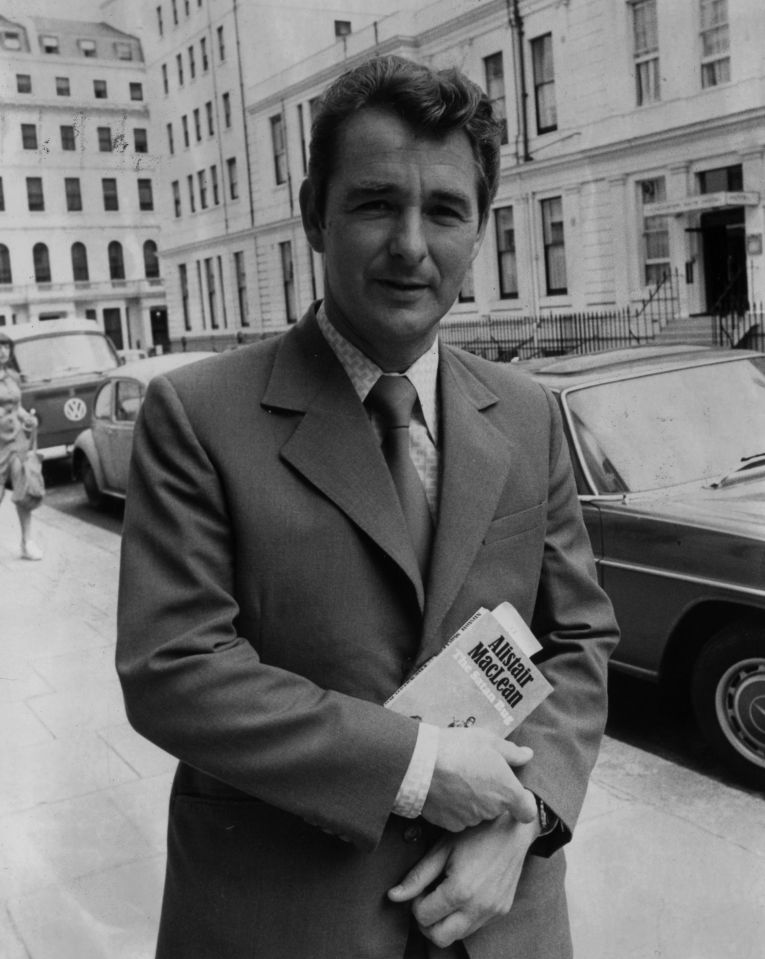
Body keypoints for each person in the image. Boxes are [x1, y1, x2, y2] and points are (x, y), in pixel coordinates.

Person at [116, 55, 619, 959]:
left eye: (444, 211)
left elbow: (578, 640)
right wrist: (421, 769)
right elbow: (175, 668)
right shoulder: (196, 415)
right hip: (289, 922)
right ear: (314, 211)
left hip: (500, 915)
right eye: (376, 203)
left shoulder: (529, 411)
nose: (411, 246)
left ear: (479, 224)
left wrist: (525, 815)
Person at [0, 332, 42, 561]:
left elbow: (18, 407)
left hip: (16, 440)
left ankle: (27, 542)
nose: (3, 351)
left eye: (6, 346)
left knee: (23, 488)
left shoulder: (12, 377)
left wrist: (27, 418)